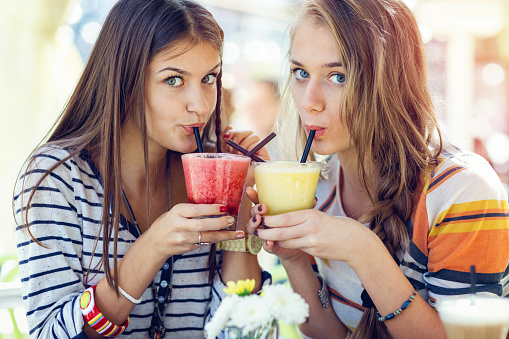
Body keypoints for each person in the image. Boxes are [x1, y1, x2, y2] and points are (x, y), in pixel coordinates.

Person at [246, 0, 509, 338]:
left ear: (390, 83)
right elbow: (331, 333)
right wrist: (294, 257)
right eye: (301, 73)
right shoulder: (319, 186)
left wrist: (362, 250)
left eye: (337, 77)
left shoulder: (461, 190)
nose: (309, 100)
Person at [13, 0, 269, 338]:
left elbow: (242, 331)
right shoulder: (57, 179)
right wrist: (155, 244)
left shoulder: (211, 172)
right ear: (125, 79)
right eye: (174, 80)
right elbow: (50, 333)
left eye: (209, 78)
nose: (202, 104)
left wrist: (241, 207)